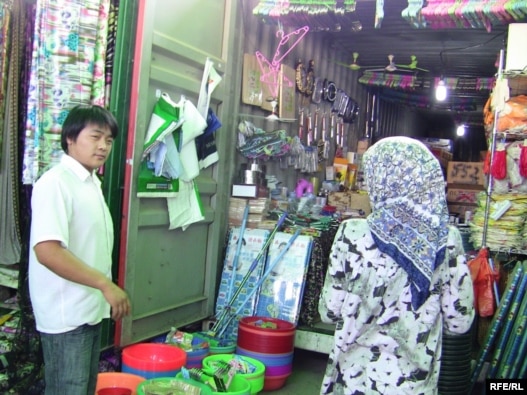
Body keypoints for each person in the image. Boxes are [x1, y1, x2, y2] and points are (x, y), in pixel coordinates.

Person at [318, 136, 475, 395]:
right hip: (413, 387)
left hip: (353, 382)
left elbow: (329, 312)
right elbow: (459, 322)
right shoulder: (446, 242)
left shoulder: (352, 234)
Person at [28, 105, 131, 394]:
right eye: (95, 136)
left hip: (88, 309)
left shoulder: (90, 183)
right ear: (70, 138)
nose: (103, 146)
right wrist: (105, 284)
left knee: (83, 388)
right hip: (66, 315)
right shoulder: (56, 183)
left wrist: (102, 291)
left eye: (109, 140)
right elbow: (47, 251)